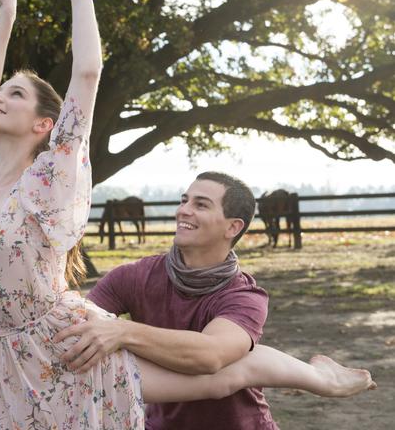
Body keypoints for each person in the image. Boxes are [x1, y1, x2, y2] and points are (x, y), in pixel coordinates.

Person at [0, 0, 375, 428]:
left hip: (65, 345)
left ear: (45, 125)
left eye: (15, 93)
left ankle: (325, 378)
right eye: (1, 92)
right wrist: (6, 14)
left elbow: (87, 73)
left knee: (217, 377)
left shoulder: (47, 183)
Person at [54, 172, 377, 429]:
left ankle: (322, 378)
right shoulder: (132, 276)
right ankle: (320, 378)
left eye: (201, 204)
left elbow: (209, 357)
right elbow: (82, 332)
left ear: (232, 227)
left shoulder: (244, 296)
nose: (184, 210)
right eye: (184, 200)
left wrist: (123, 333)